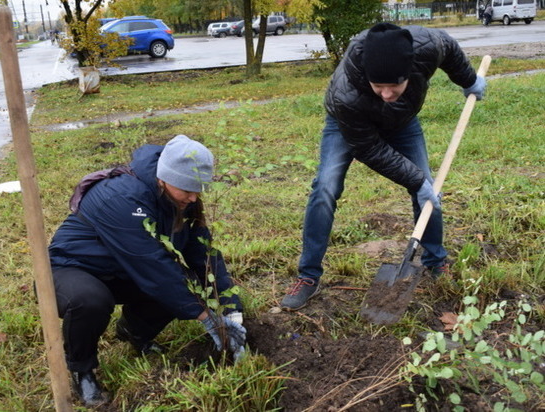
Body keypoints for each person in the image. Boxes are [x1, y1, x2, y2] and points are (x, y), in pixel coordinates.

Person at [280, 23, 486, 311]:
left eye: (395, 86)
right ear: (367, 76)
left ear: (410, 70)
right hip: (348, 126)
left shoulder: (426, 46)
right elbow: (368, 148)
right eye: (379, 86)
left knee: (429, 187)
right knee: (326, 186)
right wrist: (414, 181)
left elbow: (448, 48)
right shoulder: (346, 95)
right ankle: (308, 276)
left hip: (402, 123)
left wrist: (468, 79)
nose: (387, 94)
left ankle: (436, 260)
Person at [48, 135, 246, 406]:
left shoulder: (182, 200)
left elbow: (203, 255)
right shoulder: (121, 197)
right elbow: (153, 267)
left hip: (125, 270)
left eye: (199, 189)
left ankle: (134, 331)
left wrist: (231, 309)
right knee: (91, 300)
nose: (194, 197)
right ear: (163, 178)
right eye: (187, 189)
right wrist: (207, 318)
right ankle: (82, 370)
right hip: (72, 269)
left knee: (184, 285)